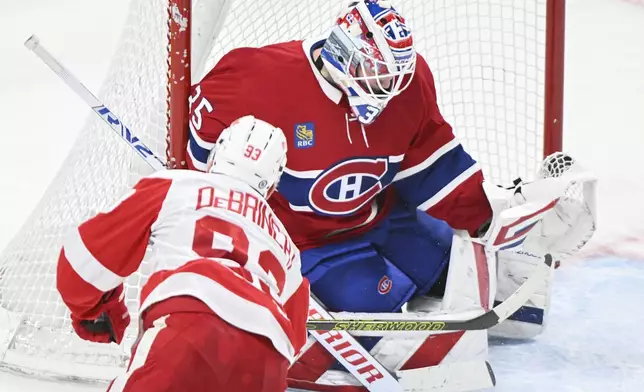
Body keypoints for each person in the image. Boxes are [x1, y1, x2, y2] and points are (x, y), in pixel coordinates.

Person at [186, 0, 596, 389]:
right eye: (378, 73)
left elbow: (433, 161)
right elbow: (207, 162)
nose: (389, 87)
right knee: (375, 313)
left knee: (448, 260)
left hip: (381, 214)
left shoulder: (408, 85)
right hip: (304, 242)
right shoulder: (254, 78)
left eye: (395, 74)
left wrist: (487, 219)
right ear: (343, 54)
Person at [56, 116, 310, 392]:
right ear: (272, 187)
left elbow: (84, 261)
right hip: (267, 361)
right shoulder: (289, 251)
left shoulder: (174, 185)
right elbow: (295, 337)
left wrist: (101, 309)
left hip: (189, 324)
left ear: (214, 157)